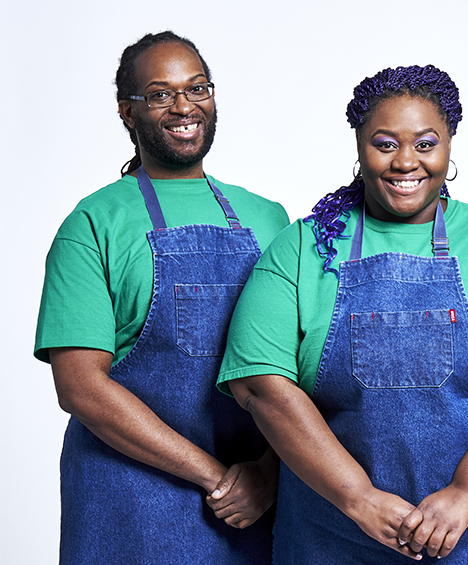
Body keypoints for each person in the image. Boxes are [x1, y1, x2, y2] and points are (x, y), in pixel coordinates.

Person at [217, 64, 468, 564]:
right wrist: (357, 498)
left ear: (450, 144)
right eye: (385, 143)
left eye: (425, 143)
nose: (405, 162)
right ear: (358, 144)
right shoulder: (303, 249)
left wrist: (466, 493)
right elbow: (261, 383)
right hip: (333, 536)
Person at [34, 31, 289, 564]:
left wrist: (266, 472)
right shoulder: (92, 225)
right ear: (128, 113)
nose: (183, 106)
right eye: (159, 93)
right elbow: (81, 388)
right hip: (126, 502)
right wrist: (216, 478)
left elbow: (299, 363)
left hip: (255, 506)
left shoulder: (269, 218)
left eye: (198, 88)